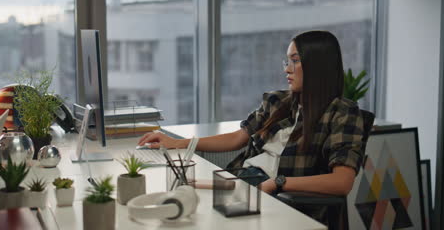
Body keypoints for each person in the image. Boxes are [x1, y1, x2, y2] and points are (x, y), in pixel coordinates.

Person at [138, 30, 366, 223]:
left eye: (295, 61)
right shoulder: (277, 101)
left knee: (188, 217)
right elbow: (238, 138)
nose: (287, 69)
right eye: (287, 61)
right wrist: (178, 143)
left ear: (317, 65)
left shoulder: (342, 113)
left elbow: (342, 181)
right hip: (243, 180)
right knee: (172, 203)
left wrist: (278, 183)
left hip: (280, 197)